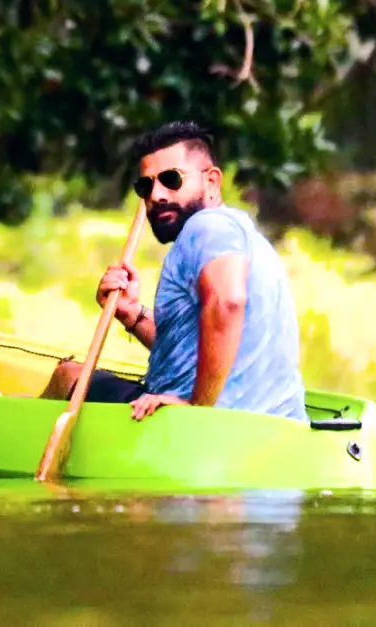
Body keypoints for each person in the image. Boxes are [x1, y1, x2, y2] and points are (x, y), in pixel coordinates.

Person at [39, 121, 308, 422]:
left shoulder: (206, 226)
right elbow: (199, 348)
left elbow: (228, 301)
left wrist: (197, 409)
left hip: (204, 430)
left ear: (212, 182)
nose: (156, 195)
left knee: (66, 376)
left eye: (171, 179)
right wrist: (133, 315)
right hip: (275, 427)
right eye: (146, 185)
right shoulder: (244, 237)